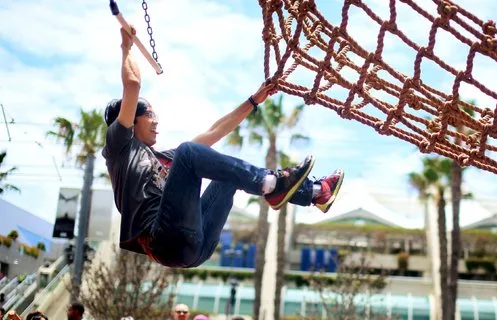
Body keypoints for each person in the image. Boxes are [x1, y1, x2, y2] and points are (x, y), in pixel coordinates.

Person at [103, 26, 344, 269]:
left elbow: (215, 132)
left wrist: (254, 100)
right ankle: (272, 183)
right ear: (131, 119)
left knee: (225, 176)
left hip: (197, 246)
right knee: (188, 151)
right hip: (165, 241)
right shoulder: (121, 146)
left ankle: (314, 192)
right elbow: (132, 84)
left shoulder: (164, 158)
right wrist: (127, 46)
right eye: (149, 115)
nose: (156, 121)